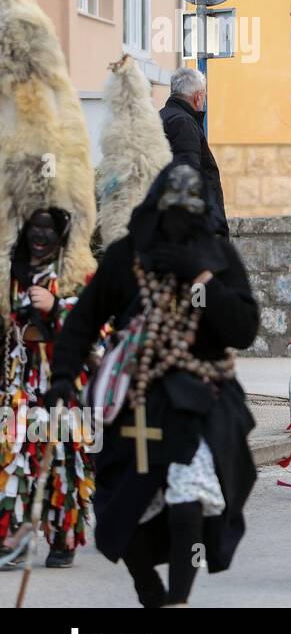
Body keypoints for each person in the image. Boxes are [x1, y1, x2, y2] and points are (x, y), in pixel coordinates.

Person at [48, 162, 259, 606]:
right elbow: (83, 323)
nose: (178, 221)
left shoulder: (216, 256)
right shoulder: (127, 257)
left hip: (200, 398)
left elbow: (241, 330)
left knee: (188, 498)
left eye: (189, 211)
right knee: (120, 512)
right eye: (170, 211)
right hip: (133, 399)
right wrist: (64, 377)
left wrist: (199, 278)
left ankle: (179, 600)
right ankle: (150, 591)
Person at [0, 208, 94, 570]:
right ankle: (15, 538)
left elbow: (95, 329)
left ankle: (63, 536)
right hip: (19, 385)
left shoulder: (75, 275)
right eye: (33, 229)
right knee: (15, 456)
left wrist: (57, 309)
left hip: (63, 384)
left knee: (64, 461)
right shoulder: (10, 275)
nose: (39, 236)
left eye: (48, 229)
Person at [160, 67, 228, 237]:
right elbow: (189, 177)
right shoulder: (184, 123)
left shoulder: (162, 117)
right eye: (204, 95)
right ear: (198, 97)